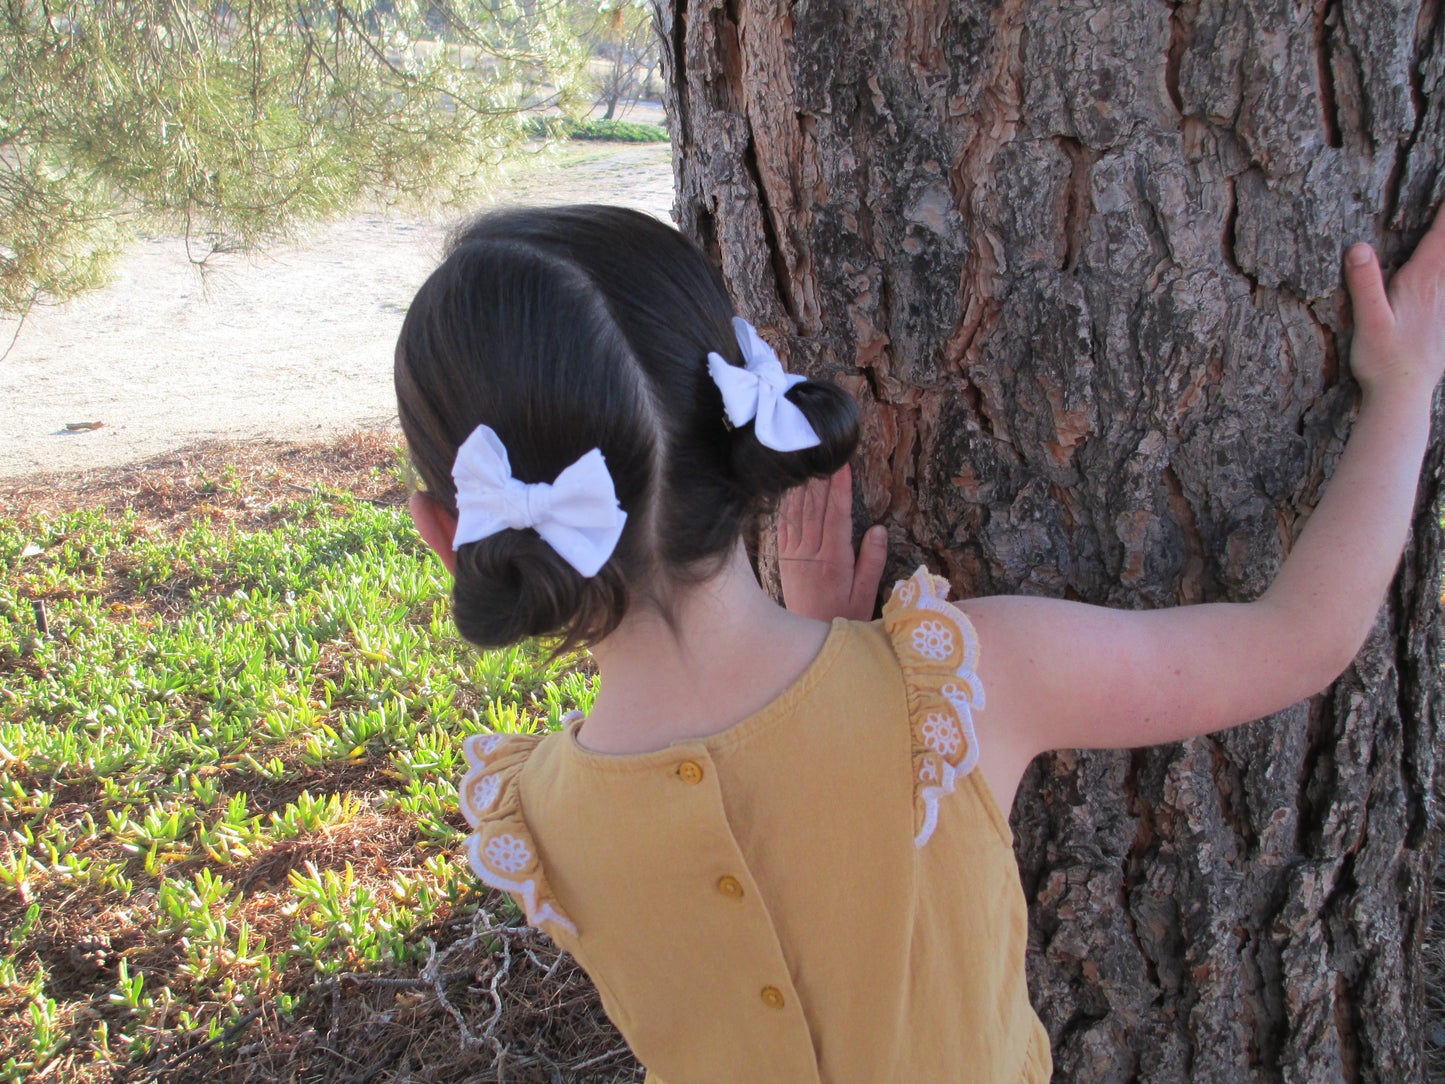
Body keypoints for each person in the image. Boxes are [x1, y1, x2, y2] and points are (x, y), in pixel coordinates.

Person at [395, 203, 1445, 1083]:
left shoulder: (532, 829)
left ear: (449, 535)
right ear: (752, 418)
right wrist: (1400, 387)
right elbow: (1298, 636)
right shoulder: (959, 687)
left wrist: (818, 639)